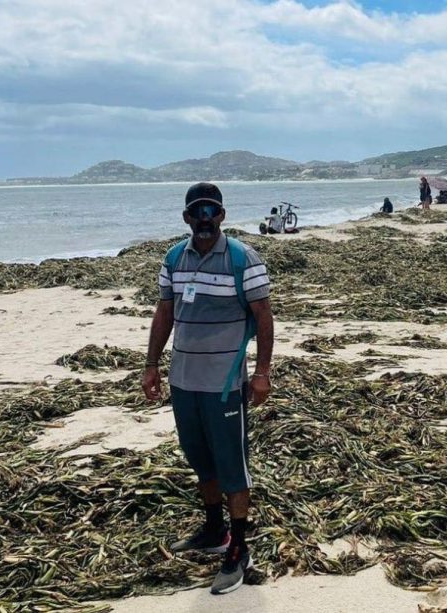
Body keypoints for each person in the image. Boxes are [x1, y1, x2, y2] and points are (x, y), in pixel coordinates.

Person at [142, 182, 274, 595]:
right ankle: (214, 530)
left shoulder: (242, 259)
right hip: (184, 380)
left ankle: (239, 547)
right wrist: (151, 365)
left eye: (211, 212)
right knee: (199, 457)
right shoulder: (174, 258)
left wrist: (262, 372)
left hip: (224, 384)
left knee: (232, 465)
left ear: (222, 216)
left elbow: (264, 317)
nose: (204, 220)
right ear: (185, 217)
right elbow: (165, 313)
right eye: (197, 212)